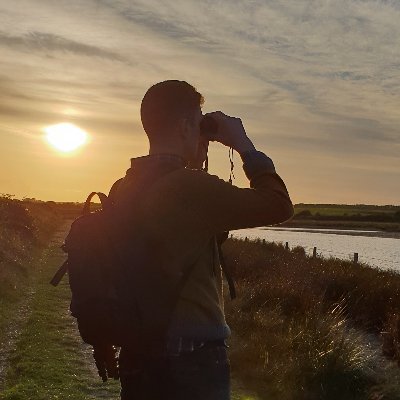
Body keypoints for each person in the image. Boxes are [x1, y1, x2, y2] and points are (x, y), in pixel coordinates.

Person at [110, 80, 293, 400]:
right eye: (197, 123)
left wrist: (194, 153)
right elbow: (278, 205)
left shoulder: (124, 186)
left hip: (139, 351)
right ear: (183, 126)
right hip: (192, 359)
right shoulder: (191, 189)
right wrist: (244, 145)